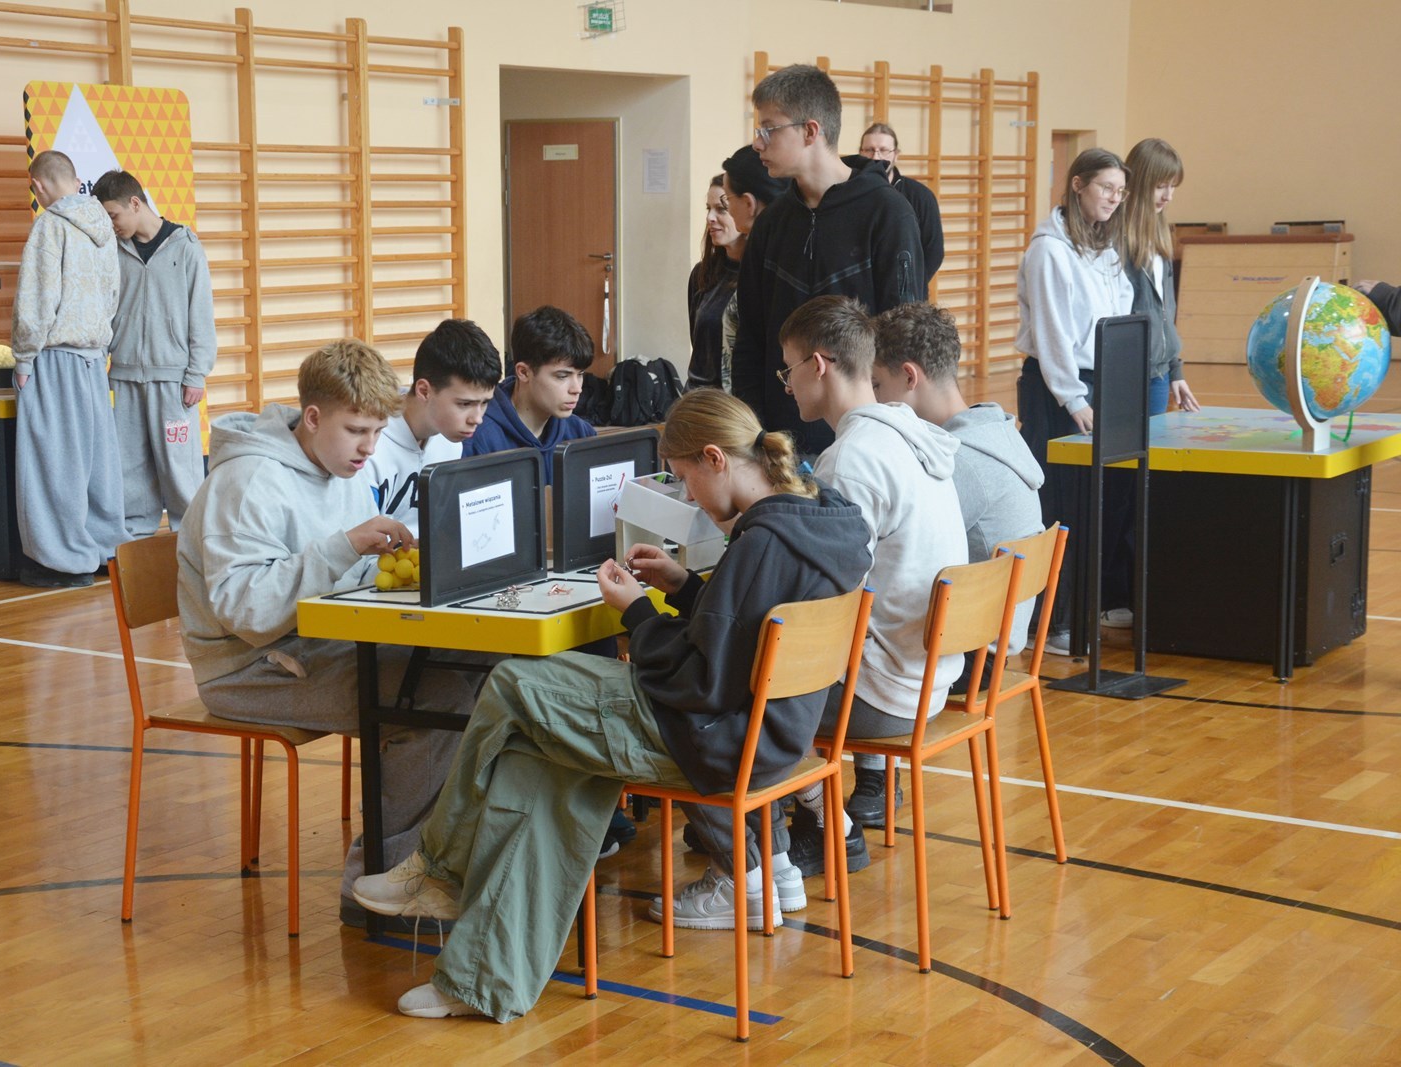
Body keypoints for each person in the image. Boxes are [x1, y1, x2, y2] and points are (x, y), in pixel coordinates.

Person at [351, 388, 872, 1021]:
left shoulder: (761, 543)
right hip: (766, 734)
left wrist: (639, 613)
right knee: (536, 754)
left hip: (708, 735)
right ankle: (480, 983)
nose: (688, 499)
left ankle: (438, 870)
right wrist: (686, 586)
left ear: (714, 458)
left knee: (514, 684)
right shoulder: (818, 520)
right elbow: (743, 634)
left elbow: (701, 680)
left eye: (684, 480)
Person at [176, 339, 476, 929]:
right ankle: (380, 879)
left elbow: (340, 578)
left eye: (376, 432)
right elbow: (246, 611)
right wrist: (346, 548)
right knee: (434, 700)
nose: (369, 449)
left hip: (313, 644)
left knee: (467, 669)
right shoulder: (248, 482)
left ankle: (444, 860)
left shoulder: (338, 466)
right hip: (247, 668)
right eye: (357, 431)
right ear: (312, 418)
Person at [779, 295, 967, 841]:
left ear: (818, 364)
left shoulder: (851, 458)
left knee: (735, 687)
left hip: (884, 695)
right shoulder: (907, 435)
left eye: (788, 370)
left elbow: (828, 603)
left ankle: (817, 834)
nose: (787, 386)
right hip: (929, 679)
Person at [730, 64, 925, 459]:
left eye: (768, 129)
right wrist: (755, 434)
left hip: (863, 439)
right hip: (781, 440)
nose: (757, 143)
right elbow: (750, 337)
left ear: (810, 131)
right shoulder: (771, 223)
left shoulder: (888, 213)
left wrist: (886, 435)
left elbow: (903, 339)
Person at [868, 300, 1044, 717]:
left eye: (876, 384)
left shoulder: (960, 463)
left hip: (969, 657)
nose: (872, 398)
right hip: (991, 643)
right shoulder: (996, 430)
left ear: (909, 376)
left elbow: (891, 550)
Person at [1014, 147, 1133, 651]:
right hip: (1056, 390)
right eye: (1106, 187)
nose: (1114, 198)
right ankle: (1048, 624)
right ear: (1078, 185)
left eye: (1120, 192)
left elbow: (1120, 314)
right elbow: (1053, 333)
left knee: (1090, 505)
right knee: (1057, 506)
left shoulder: (1104, 249)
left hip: (1096, 382)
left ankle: (1080, 614)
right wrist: (1073, 397)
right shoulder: (1048, 250)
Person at [11, 149, 123, 588]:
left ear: (38, 186)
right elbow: (113, 294)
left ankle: (64, 560)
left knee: (53, 461)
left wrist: (24, 357)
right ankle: (105, 550)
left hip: (56, 357)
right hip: (94, 357)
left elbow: (37, 299)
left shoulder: (50, 226)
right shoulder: (103, 227)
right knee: (96, 461)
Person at [91, 169, 217, 539]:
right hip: (124, 377)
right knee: (129, 468)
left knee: (180, 469)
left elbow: (201, 316)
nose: (111, 225)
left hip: (173, 381)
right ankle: (136, 542)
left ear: (135, 203)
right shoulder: (113, 251)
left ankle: (192, 540)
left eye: (113, 215)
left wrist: (196, 374)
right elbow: (105, 311)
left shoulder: (186, 247)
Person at [369, 318, 501, 534]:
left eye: (485, 403)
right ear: (424, 391)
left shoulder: (452, 442)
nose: (477, 418)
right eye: (464, 404)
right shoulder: (368, 445)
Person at [463, 304, 596, 483]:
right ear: (524, 372)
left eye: (580, 375)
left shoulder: (581, 433)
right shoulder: (479, 439)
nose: (577, 388)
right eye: (562, 376)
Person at [1121, 138, 1200, 420]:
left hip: (1159, 374)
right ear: (1140, 183)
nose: (1168, 196)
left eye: (1173, 187)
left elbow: (1165, 313)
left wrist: (1175, 370)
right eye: (1161, 186)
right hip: (1125, 374)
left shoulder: (1161, 236)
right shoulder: (1115, 240)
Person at [717, 146, 791, 397]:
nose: (726, 210)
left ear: (749, 203)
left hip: (764, 404)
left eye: (726, 201)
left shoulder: (772, 259)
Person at [859, 122, 944, 286]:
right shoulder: (848, 193)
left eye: (883, 150)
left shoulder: (921, 196)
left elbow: (934, 252)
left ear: (896, 154)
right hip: (859, 295)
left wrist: (910, 286)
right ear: (860, 153)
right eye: (869, 150)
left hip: (907, 295)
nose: (875, 157)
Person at [685, 175, 741, 390]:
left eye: (721, 209)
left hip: (736, 401)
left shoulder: (760, 278)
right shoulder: (702, 273)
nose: (710, 217)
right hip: (699, 395)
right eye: (708, 208)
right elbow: (698, 346)